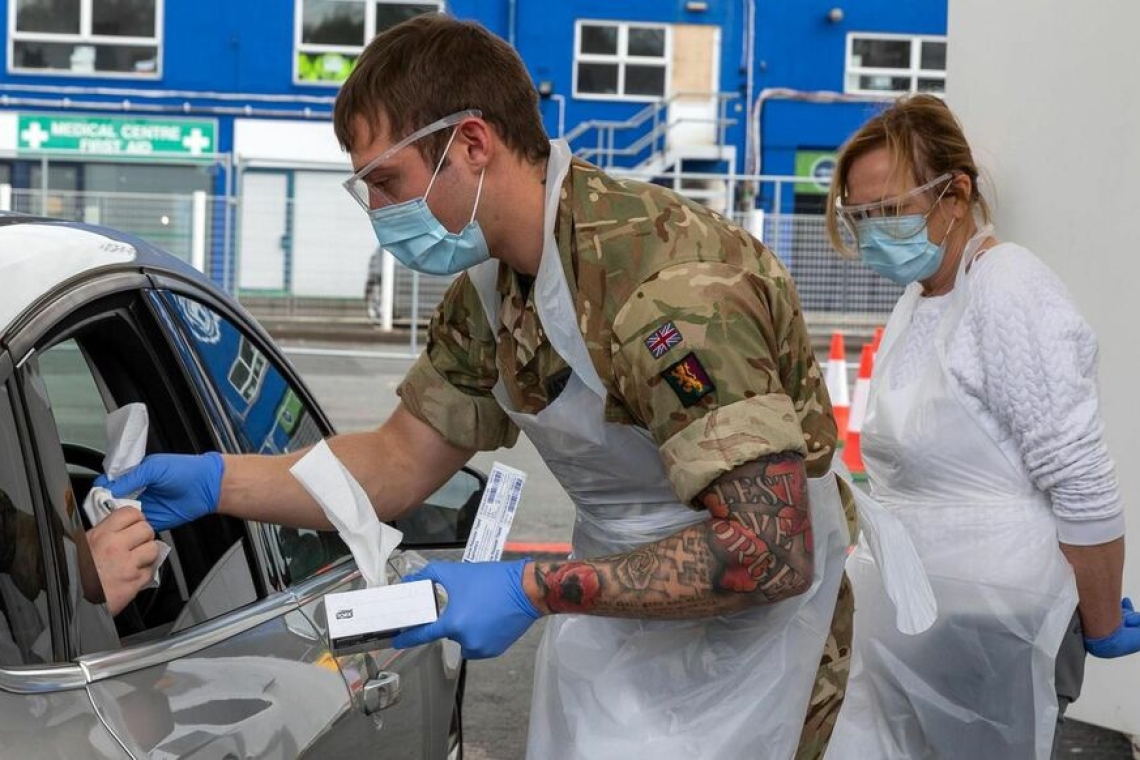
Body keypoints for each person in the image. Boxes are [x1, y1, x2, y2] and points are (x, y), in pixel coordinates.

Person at [98, 15, 856, 760]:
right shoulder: (491, 291)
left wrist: (532, 587)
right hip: (621, 626)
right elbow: (396, 462)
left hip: (758, 647)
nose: (382, 216)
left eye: (388, 182)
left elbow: (770, 551)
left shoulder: (669, 288)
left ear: (470, 143)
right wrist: (215, 479)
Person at [823, 95, 1138, 759]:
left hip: (1001, 626)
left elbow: (1078, 473)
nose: (874, 232)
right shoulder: (921, 300)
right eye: (860, 217)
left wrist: (1101, 616)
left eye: (890, 211)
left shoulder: (1008, 288)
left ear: (956, 196)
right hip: (913, 623)